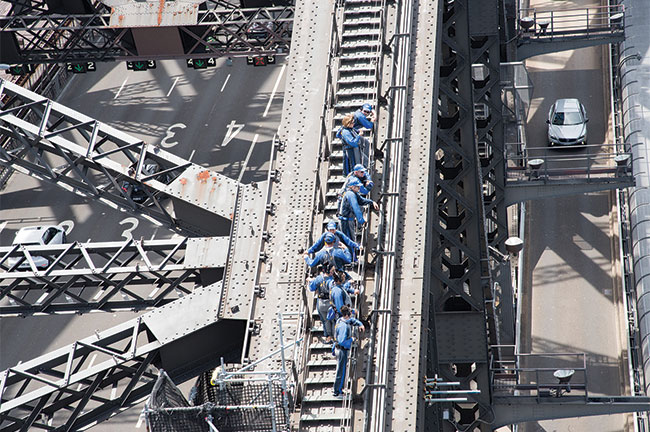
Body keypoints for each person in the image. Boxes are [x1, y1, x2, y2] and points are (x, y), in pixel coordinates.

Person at [332, 305, 364, 397]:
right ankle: (337, 392)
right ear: (347, 315)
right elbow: (342, 341)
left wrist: (360, 324)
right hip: (342, 350)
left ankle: (339, 390)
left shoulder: (341, 320)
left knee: (341, 370)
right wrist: (352, 340)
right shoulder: (344, 327)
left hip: (338, 348)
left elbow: (351, 321)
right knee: (341, 371)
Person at [338, 177, 378, 242]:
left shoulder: (354, 193)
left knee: (349, 240)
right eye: (358, 187)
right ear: (353, 187)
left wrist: (371, 202)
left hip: (348, 220)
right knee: (349, 241)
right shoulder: (350, 195)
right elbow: (356, 207)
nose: (359, 188)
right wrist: (361, 220)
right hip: (346, 222)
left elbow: (361, 200)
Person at [308, 268, 335, 342]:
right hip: (330, 302)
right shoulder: (332, 280)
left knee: (325, 320)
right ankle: (334, 336)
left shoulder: (318, 278)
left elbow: (311, 288)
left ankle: (328, 336)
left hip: (321, 303)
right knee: (333, 319)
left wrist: (311, 281)